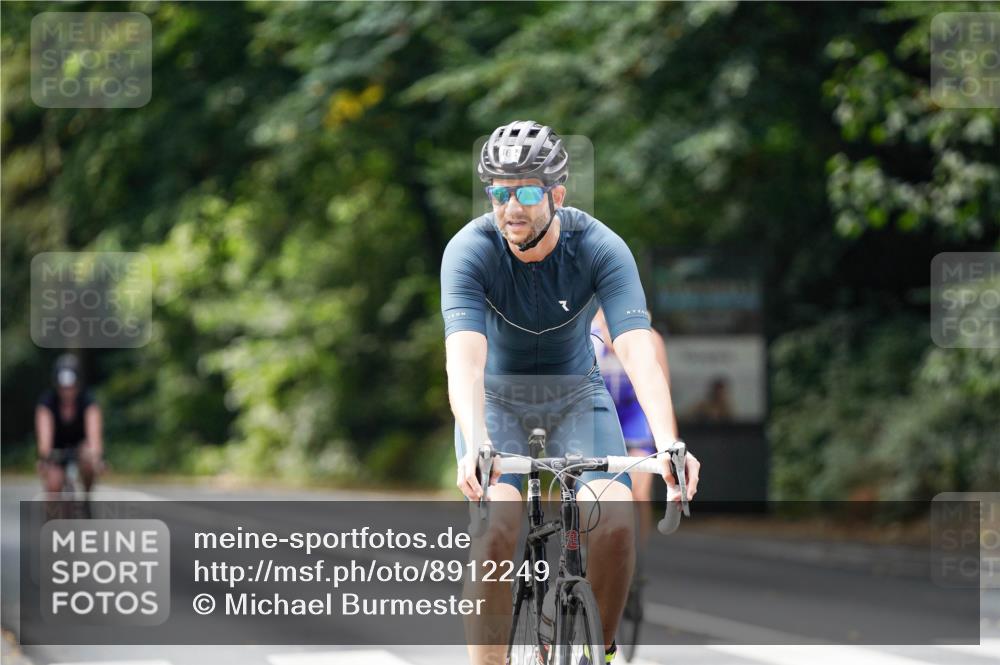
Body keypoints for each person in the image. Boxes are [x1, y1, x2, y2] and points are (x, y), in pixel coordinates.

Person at [442, 120, 700, 665]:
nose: (512, 207)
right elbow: (463, 357)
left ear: (557, 194)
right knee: (495, 532)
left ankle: (598, 652)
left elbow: (635, 347)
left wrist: (668, 442)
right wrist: (476, 437)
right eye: (500, 191)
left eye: (529, 192)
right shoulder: (470, 250)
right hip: (497, 402)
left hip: (577, 397)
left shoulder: (599, 246)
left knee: (614, 521)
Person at [590, 308, 675, 543]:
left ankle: (639, 556)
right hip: (603, 409)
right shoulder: (590, 339)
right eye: (605, 326)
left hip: (634, 413)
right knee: (595, 488)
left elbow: (662, 394)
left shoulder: (650, 340)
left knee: (637, 492)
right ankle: (586, 546)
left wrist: (670, 446)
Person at [35, 353, 104, 496]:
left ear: (78, 385)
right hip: (56, 449)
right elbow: (44, 436)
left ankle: (86, 498)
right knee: (53, 484)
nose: (67, 392)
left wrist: (95, 455)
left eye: (71, 387)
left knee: (89, 464)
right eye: (63, 387)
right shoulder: (47, 403)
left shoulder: (88, 401)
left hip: (81, 447)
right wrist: (45, 456)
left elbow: (94, 434)